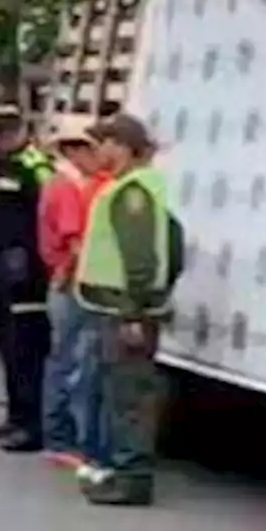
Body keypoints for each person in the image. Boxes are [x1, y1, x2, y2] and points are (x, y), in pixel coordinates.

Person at [74, 113, 173, 506]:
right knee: (120, 393)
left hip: (125, 312)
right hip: (116, 308)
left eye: (103, 142)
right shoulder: (128, 187)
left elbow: (140, 258)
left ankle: (132, 478)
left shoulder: (133, 192)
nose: (97, 151)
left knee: (130, 396)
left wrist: (134, 313)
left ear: (122, 146)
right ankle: (122, 471)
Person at [0, 104, 53, 453]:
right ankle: (16, 415)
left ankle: (33, 424)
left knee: (26, 348)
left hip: (28, 271)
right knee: (7, 345)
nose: (1, 136)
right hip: (2, 266)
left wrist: (35, 262)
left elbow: (49, 218)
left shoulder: (35, 167)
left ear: (24, 129)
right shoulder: (0, 165)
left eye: (9, 130)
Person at [38, 114, 109, 472]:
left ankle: (61, 437)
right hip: (73, 285)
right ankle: (62, 439)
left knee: (68, 359)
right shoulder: (66, 188)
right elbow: (75, 242)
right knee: (72, 363)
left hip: (68, 282)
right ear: (76, 150)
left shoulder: (71, 183)